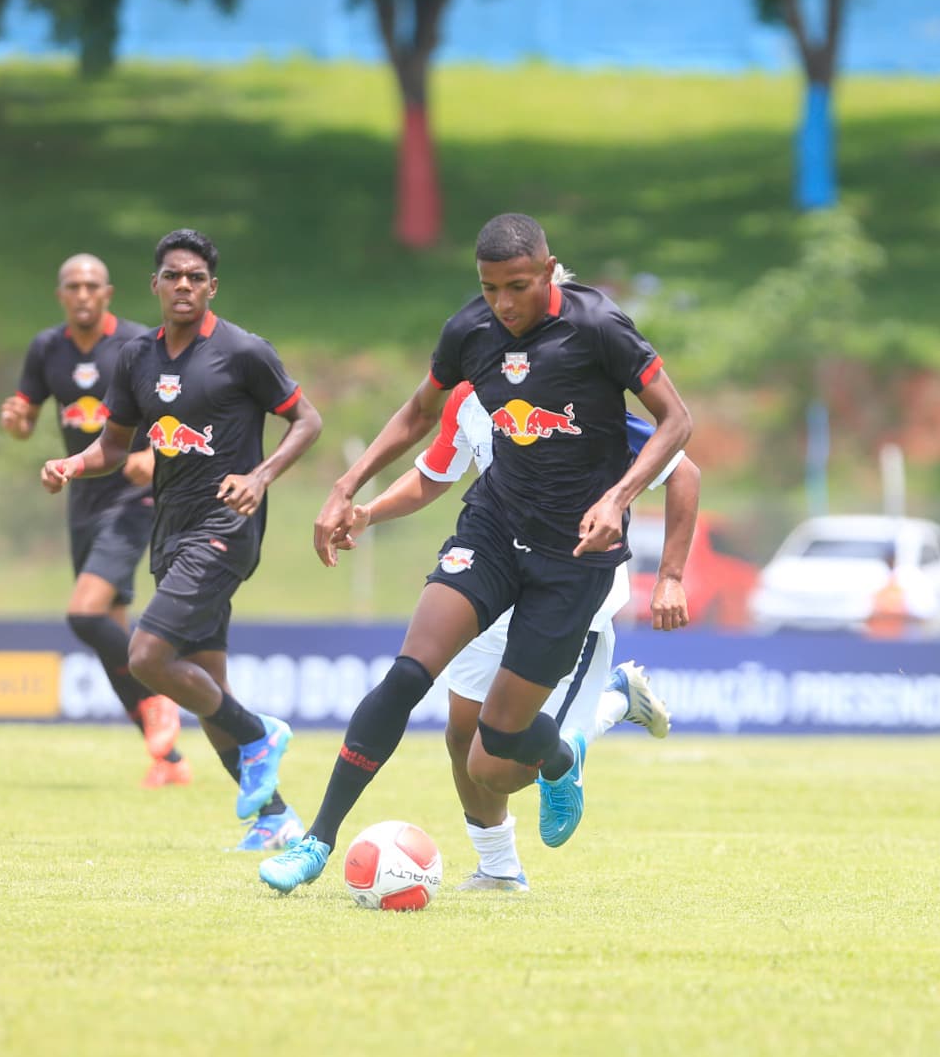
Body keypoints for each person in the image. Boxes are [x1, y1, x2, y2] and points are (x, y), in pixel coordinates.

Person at [261, 212, 692, 893]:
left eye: (517, 286)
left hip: (572, 562)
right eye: (490, 288)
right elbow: (415, 414)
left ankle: (556, 759)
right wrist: (348, 488)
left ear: (549, 271)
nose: (504, 304)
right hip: (491, 531)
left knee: (498, 753)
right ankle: (315, 842)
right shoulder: (471, 332)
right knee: (408, 675)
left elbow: (678, 422)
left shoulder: (599, 328)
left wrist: (618, 501)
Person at [339, 372, 701, 891]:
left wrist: (669, 577)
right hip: (494, 575)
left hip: (571, 590)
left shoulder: (574, 393)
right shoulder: (468, 392)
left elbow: (683, 471)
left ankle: (601, 715)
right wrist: (368, 513)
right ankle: (499, 869)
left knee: (497, 764)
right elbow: (437, 473)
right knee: (462, 732)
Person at [39, 229, 323, 850]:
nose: (185, 286)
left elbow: (307, 419)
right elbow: (115, 445)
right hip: (169, 532)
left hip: (227, 528)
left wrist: (261, 474)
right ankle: (275, 817)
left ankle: (258, 735)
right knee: (204, 678)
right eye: (174, 276)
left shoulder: (243, 351)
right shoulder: (137, 358)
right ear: (156, 285)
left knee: (147, 656)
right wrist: (72, 466)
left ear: (212, 287)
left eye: (196, 277)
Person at [0, 253, 192, 788]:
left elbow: (173, 415)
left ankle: (161, 699)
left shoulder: (136, 346)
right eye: (72, 286)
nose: (82, 294)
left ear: (108, 292)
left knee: (84, 615)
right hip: (80, 503)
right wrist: (16, 422)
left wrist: (153, 457)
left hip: (133, 502)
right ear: (61, 294)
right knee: (109, 636)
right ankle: (169, 761)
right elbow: (25, 418)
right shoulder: (46, 349)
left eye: (91, 285)